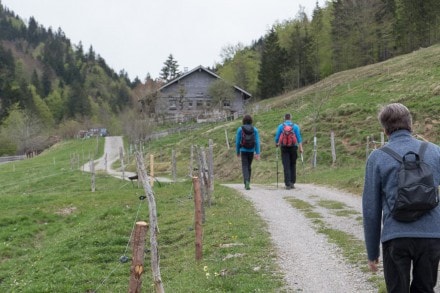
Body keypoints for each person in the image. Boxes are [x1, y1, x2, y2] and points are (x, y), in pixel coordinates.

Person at [362, 103, 440, 292]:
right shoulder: (435, 151)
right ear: (411, 124)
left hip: (395, 237)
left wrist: (372, 252)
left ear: (385, 130)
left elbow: (371, 209)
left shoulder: (377, 157)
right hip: (431, 237)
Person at [274, 113, 303, 189]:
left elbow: (277, 137)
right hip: (293, 147)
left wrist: (277, 144)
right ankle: (292, 182)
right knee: (293, 164)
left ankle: (287, 184)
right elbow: (299, 138)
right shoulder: (295, 126)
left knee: (286, 165)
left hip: (284, 148)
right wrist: (301, 148)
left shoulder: (281, 126)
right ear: (291, 118)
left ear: (284, 118)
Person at [236, 114, 260, 190]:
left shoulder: (240, 129)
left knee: (244, 166)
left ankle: (246, 181)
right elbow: (257, 142)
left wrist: (237, 151)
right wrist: (257, 152)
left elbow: (237, 142)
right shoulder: (255, 129)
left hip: (243, 150)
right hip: (251, 150)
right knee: (249, 166)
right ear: (251, 121)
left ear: (243, 121)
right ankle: (248, 182)